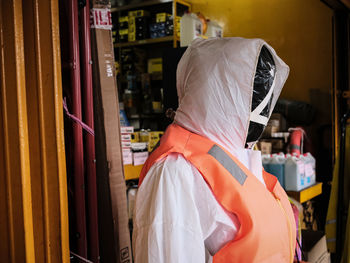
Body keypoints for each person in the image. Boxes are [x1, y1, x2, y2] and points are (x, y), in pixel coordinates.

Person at [133, 37, 296, 263]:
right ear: (218, 92)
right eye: (254, 95)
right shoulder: (175, 172)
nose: (262, 109)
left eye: (266, 97)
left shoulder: (234, 157)